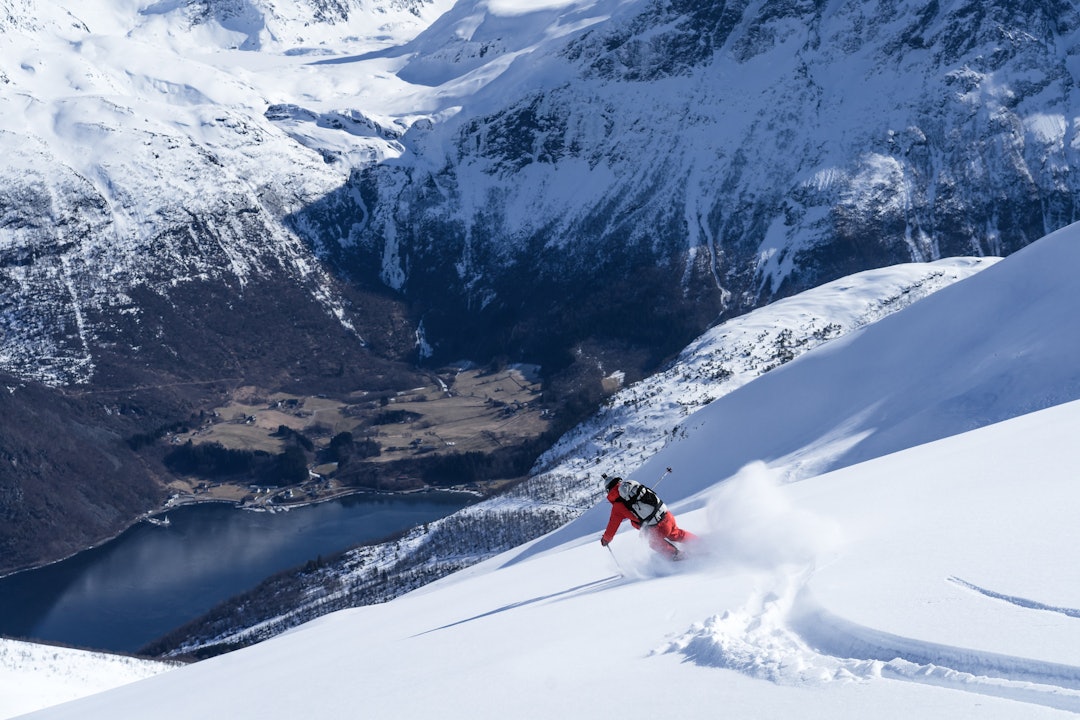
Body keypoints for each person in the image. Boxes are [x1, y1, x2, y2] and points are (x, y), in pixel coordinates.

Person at [600, 475, 698, 560]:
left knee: (653, 543)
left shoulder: (618, 506)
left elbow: (612, 526)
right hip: (666, 515)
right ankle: (699, 543)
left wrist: (605, 539)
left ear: (608, 490)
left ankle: (677, 556)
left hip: (656, 527)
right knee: (675, 533)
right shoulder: (634, 487)